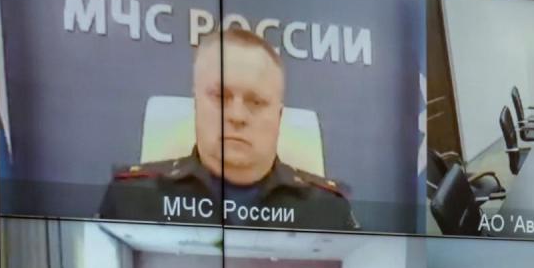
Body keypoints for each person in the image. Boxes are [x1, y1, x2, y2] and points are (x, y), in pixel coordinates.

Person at [98, 28, 358, 230]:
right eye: (220, 97)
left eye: (256, 102)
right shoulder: (130, 198)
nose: (236, 116)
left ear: (279, 117)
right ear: (196, 104)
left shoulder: (329, 212)